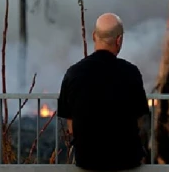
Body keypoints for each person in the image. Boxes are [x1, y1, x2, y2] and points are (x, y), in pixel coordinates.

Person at [57, 13, 150, 170]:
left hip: (87, 161)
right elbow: (140, 119)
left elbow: (70, 124)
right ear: (119, 40)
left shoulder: (73, 73)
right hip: (126, 161)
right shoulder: (131, 73)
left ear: (94, 36)